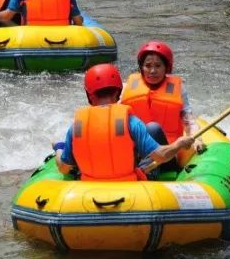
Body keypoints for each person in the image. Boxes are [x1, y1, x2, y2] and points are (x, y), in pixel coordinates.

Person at [54, 63, 195, 181]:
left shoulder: (76, 126)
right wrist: (179, 144)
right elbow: (161, 155)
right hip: (129, 185)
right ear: (118, 92)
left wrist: (59, 148)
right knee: (152, 132)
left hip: (89, 188)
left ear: (89, 95)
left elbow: (63, 168)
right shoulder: (131, 122)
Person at [121, 41, 205, 164]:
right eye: (148, 66)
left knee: (153, 129)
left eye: (158, 65)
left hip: (168, 153)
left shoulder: (178, 89)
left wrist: (197, 138)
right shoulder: (127, 88)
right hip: (136, 151)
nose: (152, 71)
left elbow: (189, 121)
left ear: (166, 67)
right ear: (141, 68)